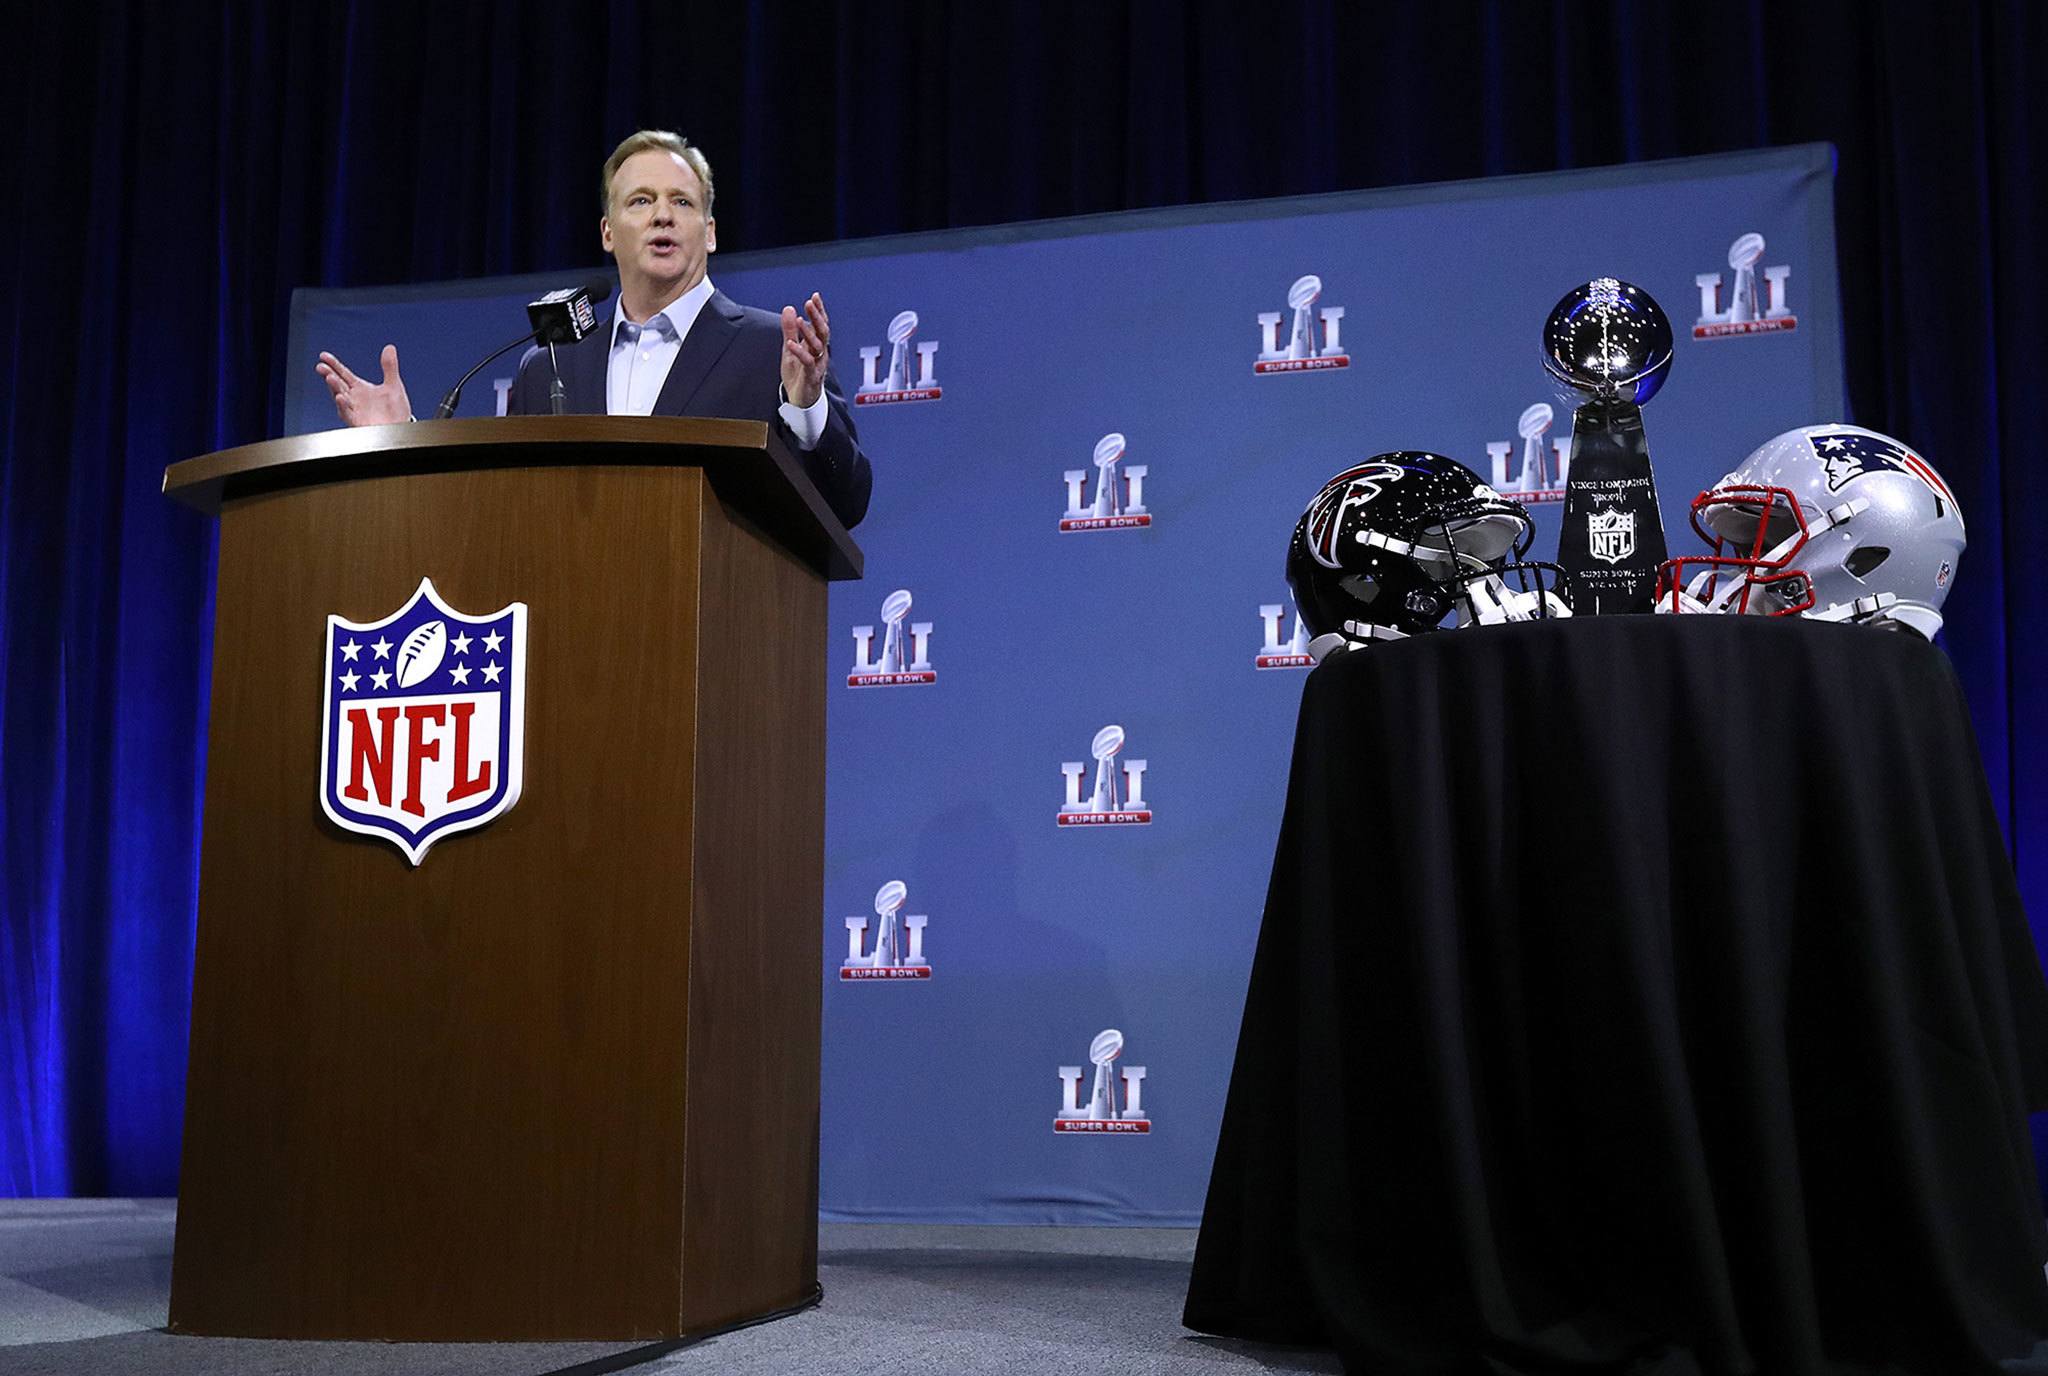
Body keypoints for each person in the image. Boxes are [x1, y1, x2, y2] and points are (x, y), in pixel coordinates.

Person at [315, 130, 872, 529]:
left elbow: (846, 503)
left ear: (710, 232)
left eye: (682, 201)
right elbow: (496, 510)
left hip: (720, 651)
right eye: (641, 201)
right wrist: (403, 437)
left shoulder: (770, 347)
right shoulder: (554, 364)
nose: (662, 215)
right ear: (608, 232)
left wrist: (806, 406)